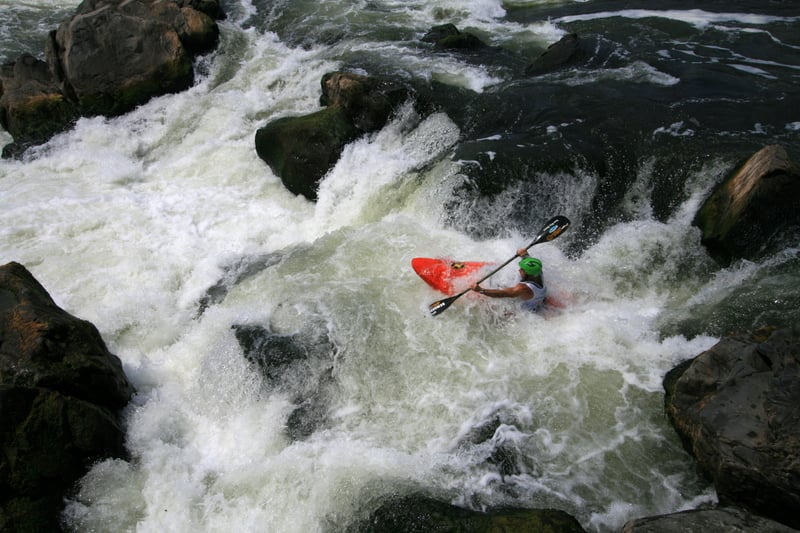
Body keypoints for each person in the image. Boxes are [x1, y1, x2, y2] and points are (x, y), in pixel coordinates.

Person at [472, 248, 547, 311]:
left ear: (527, 273)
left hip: (526, 311)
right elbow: (531, 263)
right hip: (538, 300)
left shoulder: (523, 288)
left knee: (487, 307)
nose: (519, 270)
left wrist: (481, 290)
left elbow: (502, 294)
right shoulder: (538, 272)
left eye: (522, 269)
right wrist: (524, 255)